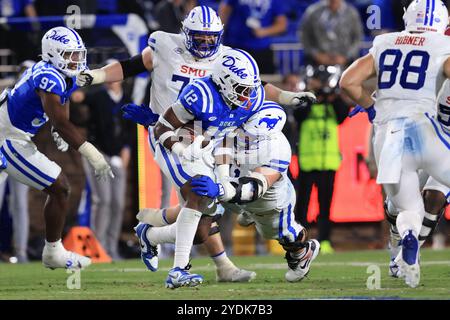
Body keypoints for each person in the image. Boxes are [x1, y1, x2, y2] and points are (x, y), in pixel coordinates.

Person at [76, 5, 315, 284]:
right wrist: (97, 75)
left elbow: (255, 88)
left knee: (206, 206)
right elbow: (131, 66)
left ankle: (171, 241)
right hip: (172, 131)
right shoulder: (167, 47)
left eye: (209, 37)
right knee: (199, 196)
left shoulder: (228, 63)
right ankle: (181, 267)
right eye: (198, 37)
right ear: (185, 33)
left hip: (208, 136)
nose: (204, 43)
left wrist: (286, 96)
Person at [136, 102, 321, 282]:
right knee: (200, 229)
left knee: (282, 233)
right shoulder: (236, 120)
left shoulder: (277, 150)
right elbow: (202, 132)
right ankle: (150, 232)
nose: (242, 135)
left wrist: (220, 188)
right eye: (243, 128)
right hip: (228, 184)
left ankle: (303, 251)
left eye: (250, 134)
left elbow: (253, 190)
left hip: (264, 201)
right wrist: (158, 123)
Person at [339, 0, 450, 288]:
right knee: (406, 203)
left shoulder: (384, 41)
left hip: (389, 135)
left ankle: (407, 242)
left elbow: (348, 82)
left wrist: (372, 107)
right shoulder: (441, 43)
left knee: (407, 209)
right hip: (428, 127)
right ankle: (398, 252)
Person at [0, 26, 113, 270]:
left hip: (13, 134)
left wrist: (55, 127)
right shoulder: (48, 76)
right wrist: (93, 155)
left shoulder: (61, 73)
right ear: (53, 53)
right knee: (59, 187)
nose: (76, 60)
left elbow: (63, 102)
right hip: (6, 137)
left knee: (59, 188)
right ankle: (53, 252)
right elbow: (61, 122)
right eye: (70, 55)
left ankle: (53, 251)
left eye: (78, 54)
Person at [294, 65, 349, 254]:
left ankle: (325, 240)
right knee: (302, 205)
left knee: (325, 206)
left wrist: (332, 95)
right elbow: (299, 115)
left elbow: (343, 115)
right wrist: (313, 94)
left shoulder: (332, 103)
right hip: (308, 163)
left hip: (328, 164)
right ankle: (299, 240)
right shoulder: (304, 101)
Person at [218, 0, 288, 74]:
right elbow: (223, 13)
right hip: (235, 47)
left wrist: (264, 32)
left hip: (261, 50)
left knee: (265, 80)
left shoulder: (274, 1)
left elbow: (282, 25)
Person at [300, 0, 363, 67]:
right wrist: (316, 55)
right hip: (317, 63)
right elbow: (304, 36)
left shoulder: (352, 13)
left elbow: (357, 38)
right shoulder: (313, 12)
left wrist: (346, 57)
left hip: (345, 63)